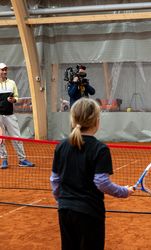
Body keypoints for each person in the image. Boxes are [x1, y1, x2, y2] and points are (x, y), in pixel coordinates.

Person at [50, 98, 134, 250]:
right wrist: (124, 192)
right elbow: (101, 182)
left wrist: (62, 200)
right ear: (96, 121)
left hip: (65, 211)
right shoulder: (100, 149)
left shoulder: (61, 146)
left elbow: (55, 180)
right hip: (89, 213)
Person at [0, 63, 35, 169]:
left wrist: (13, 100)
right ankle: (4, 160)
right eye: (2, 70)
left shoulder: (12, 83)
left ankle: (22, 160)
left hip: (10, 115)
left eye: (6, 70)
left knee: (17, 138)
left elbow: (16, 97)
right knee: (0, 139)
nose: (5, 72)